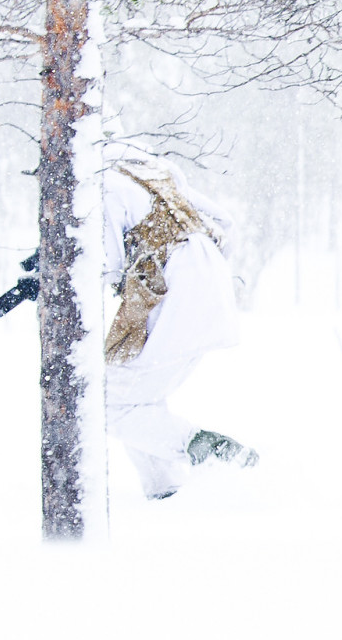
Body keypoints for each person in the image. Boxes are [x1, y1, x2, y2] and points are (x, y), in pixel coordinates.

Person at [103, 144, 258, 500]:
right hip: (204, 273)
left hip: (170, 284)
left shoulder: (103, 183)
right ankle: (163, 489)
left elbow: (107, 264)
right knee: (137, 397)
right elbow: (224, 223)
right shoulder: (153, 168)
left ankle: (211, 451)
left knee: (107, 399)